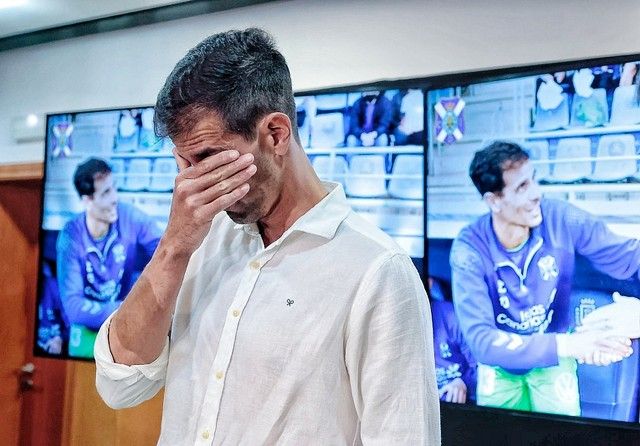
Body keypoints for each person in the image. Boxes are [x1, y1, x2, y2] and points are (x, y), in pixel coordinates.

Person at [94, 28, 440, 445]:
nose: (189, 182)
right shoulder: (196, 242)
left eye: (206, 158)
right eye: (182, 162)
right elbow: (120, 385)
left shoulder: (378, 271)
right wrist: (172, 249)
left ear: (276, 134)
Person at [450, 141, 637, 416]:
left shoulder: (561, 218)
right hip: (501, 366)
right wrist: (572, 344)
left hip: (554, 359)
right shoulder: (469, 250)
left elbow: (630, 257)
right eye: (522, 187)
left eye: (534, 180)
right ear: (494, 201)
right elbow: (482, 341)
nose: (537, 193)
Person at [57, 158, 162, 357]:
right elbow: (73, 307)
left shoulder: (128, 216)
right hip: (87, 328)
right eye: (105, 192)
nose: (114, 198)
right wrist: (126, 309)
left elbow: (165, 250)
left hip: (121, 324)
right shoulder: (70, 236)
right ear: (87, 200)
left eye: (113, 188)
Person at [428, 277, 477, 404]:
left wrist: (464, 382)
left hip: (460, 403)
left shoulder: (453, 316)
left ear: (429, 283)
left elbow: (483, 364)